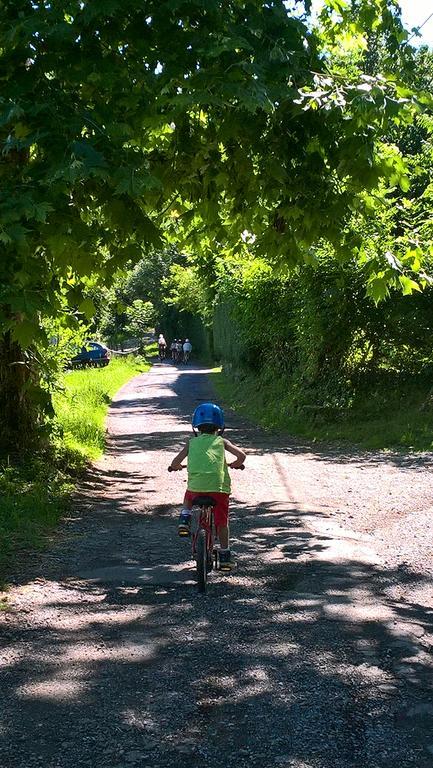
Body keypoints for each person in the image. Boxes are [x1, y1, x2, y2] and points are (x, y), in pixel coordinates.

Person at [168, 402, 246, 570]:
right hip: (219, 490)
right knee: (222, 522)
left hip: (196, 489)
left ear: (196, 427)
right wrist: (235, 463)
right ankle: (225, 556)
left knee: (188, 496)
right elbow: (242, 455)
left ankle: (184, 519)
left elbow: (175, 462)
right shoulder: (222, 441)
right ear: (220, 426)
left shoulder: (191, 443)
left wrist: (176, 467)